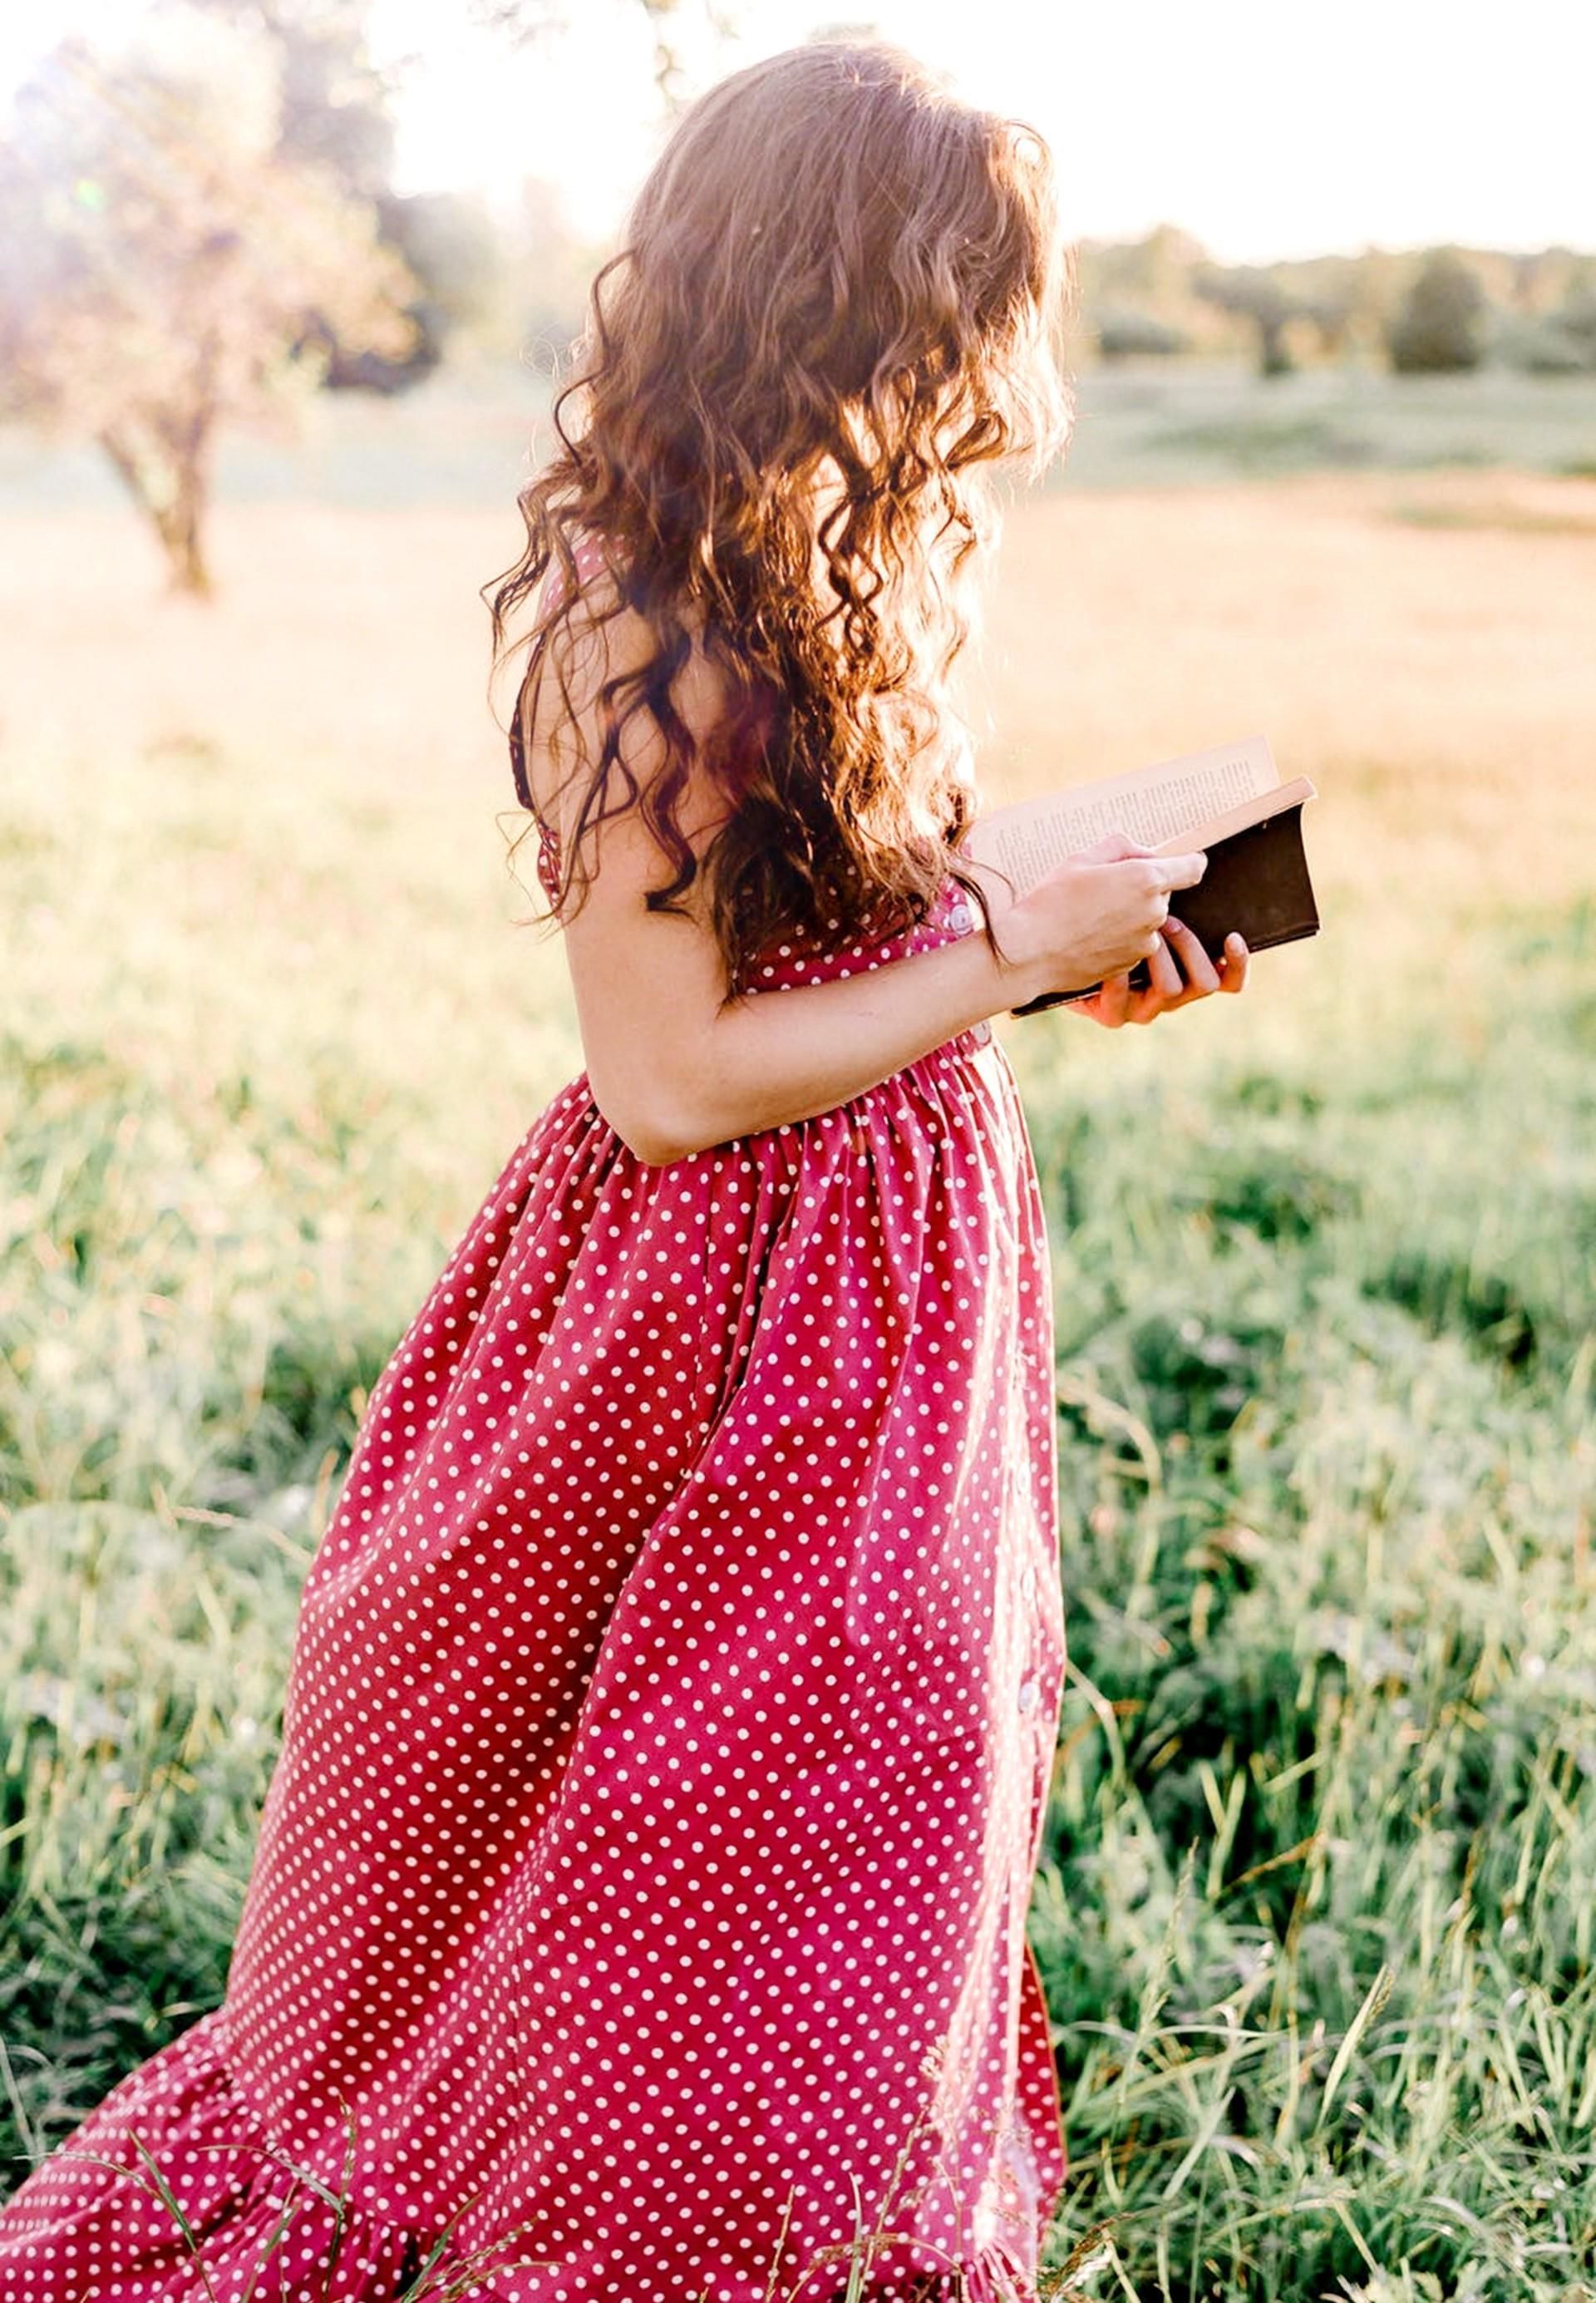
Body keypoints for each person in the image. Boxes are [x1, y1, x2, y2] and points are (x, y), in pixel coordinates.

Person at [0, 37, 1249, 2303]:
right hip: (697, 1323)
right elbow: (669, 1077)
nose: (993, 354)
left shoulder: (842, 557)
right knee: (633, 1846)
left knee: (851, 1841)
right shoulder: (640, 608)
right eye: (961, 295)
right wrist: (995, 956)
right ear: (831, 292)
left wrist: (1069, 939)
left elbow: (858, 907)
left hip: (885, 1306)